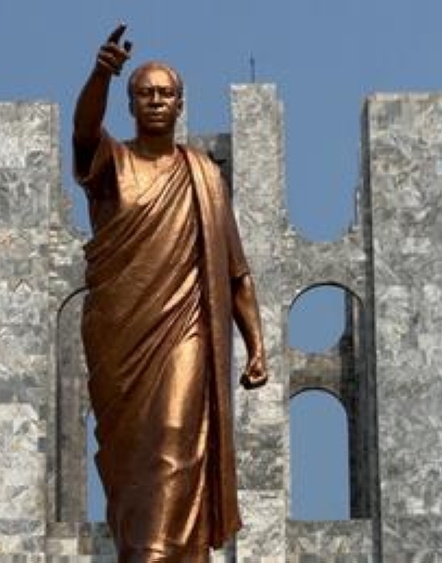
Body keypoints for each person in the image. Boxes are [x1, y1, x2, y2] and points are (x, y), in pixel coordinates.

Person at [73, 24, 268, 563]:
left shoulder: (203, 176)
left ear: (180, 104)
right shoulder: (113, 165)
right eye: (145, 93)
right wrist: (100, 75)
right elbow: (84, 133)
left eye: (165, 93)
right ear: (131, 104)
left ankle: (161, 555)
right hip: (119, 339)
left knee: (177, 437)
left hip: (186, 330)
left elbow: (235, 273)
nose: (156, 100)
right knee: (131, 462)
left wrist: (256, 346)